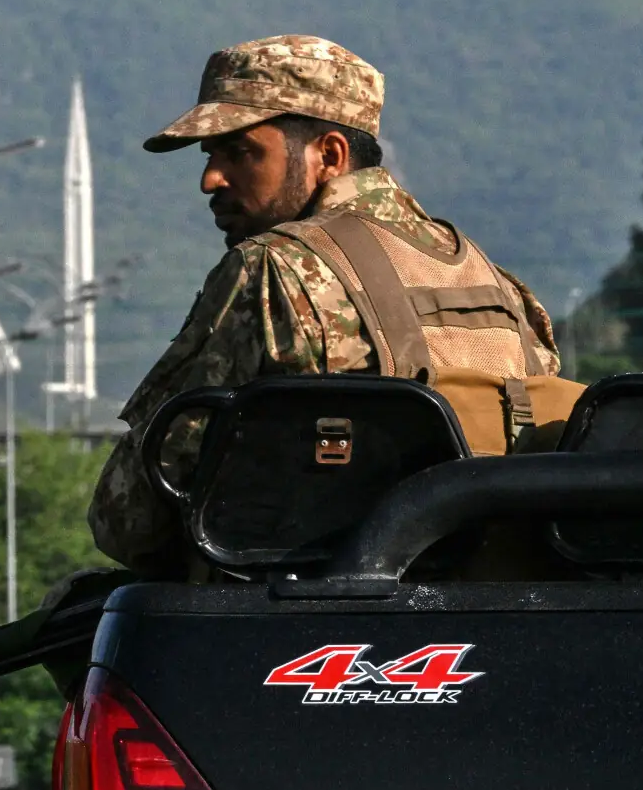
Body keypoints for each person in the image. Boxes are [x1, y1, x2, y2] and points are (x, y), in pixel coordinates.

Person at [90, 34, 564, 576]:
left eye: (241, 152)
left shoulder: (273, 268)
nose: (210, 180)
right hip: (490, 612)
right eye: (211, 156)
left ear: (329, 155)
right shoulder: (499, 286)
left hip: (313, 627)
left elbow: (130, 518)